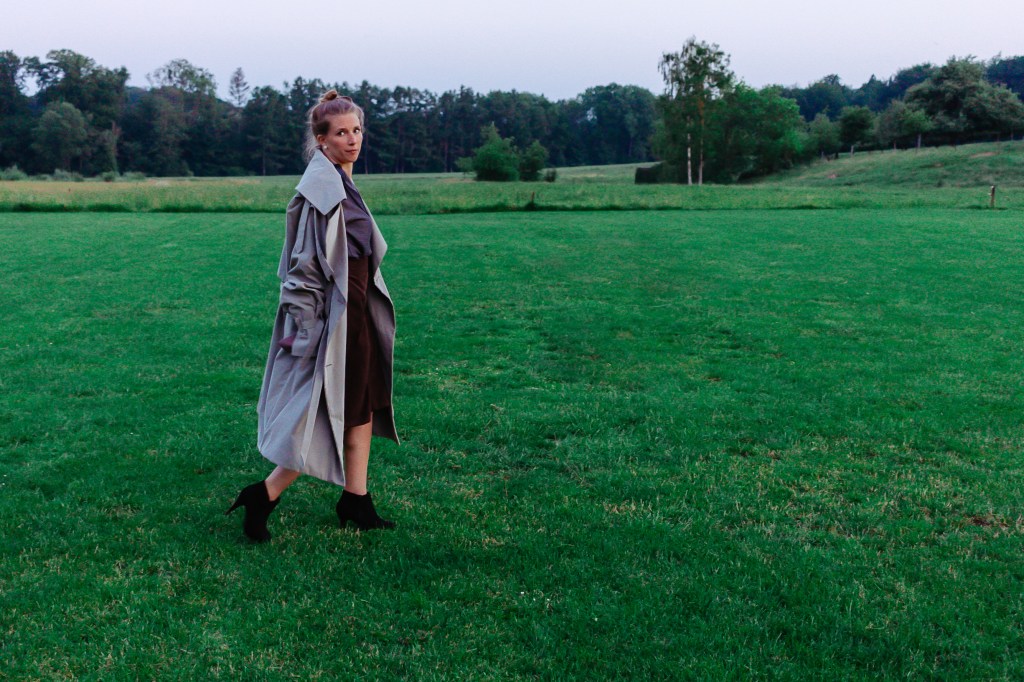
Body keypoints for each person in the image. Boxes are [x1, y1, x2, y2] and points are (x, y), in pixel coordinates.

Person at [227, 90, 399, 542]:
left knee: (362, 408)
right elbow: (301, 271)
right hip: (334, 321)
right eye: (341, 132)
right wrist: (306, 332)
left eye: (357, 130)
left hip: (358, 314)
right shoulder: (319, 193)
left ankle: (356, 500)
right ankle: (265, 493)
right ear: (321, 140)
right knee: (322, 412)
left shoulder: (343, 183)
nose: (352, 139)